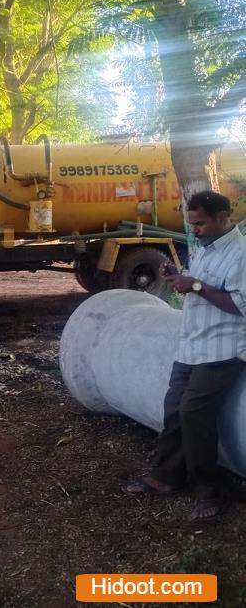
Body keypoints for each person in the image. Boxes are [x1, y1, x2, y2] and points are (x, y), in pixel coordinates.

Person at [125, 190, 246, 521]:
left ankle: (210, 490)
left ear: (224, 217)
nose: (195, 229)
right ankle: (166, 477)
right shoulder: (204, 247)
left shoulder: (240, 253)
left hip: (225, 347)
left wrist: (194, 287)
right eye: (191, 223)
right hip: (192, 344)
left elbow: (240, 305)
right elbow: (197, 284)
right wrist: (175, 278)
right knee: (173, 408)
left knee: (194, 412)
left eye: (201, 223)